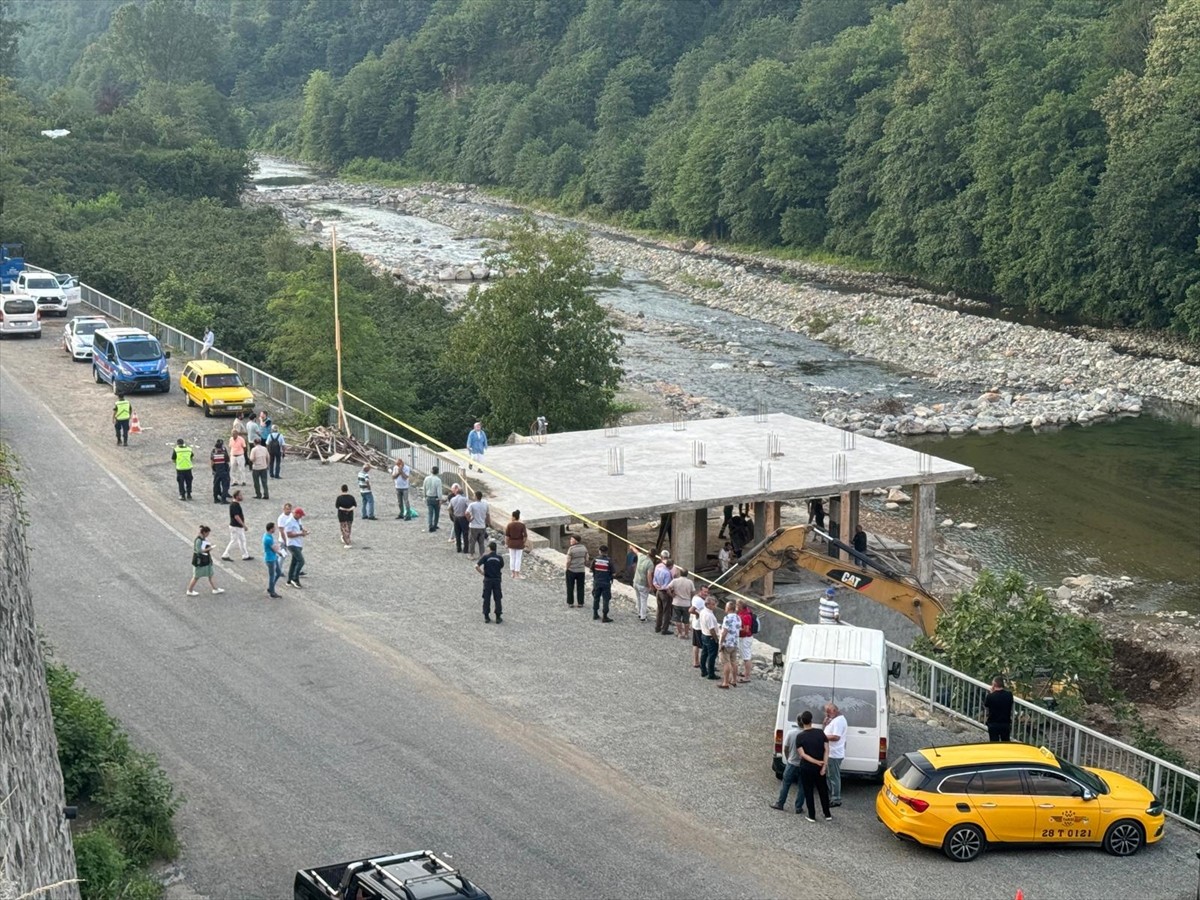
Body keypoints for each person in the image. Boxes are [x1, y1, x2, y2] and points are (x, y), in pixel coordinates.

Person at [795, 710, 833, 822]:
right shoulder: (820, 733)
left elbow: (803, 754)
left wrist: (815, 761)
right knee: (823, 790)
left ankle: (812, 815)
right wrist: (824, 765)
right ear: (811, 720)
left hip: (807, 767)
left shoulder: (800, 737)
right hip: (820, 768)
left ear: (802, 721)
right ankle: (827, 814)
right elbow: (827, 749)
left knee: (808, 790)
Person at [770, 714, 806, 814]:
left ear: (797, 722)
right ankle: (798, 807)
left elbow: (785, 747)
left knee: (786, 784)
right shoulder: (807, 735)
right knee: (802, 786)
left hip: (792, 762)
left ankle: (780, 803)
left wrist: (788, 757)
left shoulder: (791, 733)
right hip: (803, 764)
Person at [186, 526, 224, 596]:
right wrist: (209, 549)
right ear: (204, 532)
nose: (208, 534)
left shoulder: (203, 539)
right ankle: (189, 590)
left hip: (206, 560)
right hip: (200, 561)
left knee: (210, 574)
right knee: (196, 576)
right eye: (207, 533)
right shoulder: (198, 540)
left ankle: (215, 589)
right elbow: (199, 551)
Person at [823, 702, 848, 807]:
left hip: (834, 753)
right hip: (831, 753)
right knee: (830, 775)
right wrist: (825, 724)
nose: (827, 714)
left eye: (828, 712)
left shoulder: (838, 721)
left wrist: (822, 737)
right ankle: (832, 796)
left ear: (835, 710)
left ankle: (836, 799)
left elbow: (836, 737)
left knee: (834, 777)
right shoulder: (835, 720)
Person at [476, 540, 504, 623]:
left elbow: (476, 566)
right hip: (497, 580)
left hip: (488, 580)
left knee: (486, 598)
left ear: (489, 548)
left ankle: (486, 616)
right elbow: (501, 566)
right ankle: (498, 616)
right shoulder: (499, 558)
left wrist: (482, 573)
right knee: (498, 598)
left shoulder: (485, 557)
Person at [221, 490, 251, 561]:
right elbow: (236, 516)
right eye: (240, 495)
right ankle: (225, 554)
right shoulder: (234, 505)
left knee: (242, 540)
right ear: (237, 496)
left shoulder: (235, 504)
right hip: (236, 527)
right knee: (234, 541)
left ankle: (245, 555)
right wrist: (244, 525)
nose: (242, 496)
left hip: (236, 526)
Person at [667, 567, 696, 639]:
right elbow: (693, 592)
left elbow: (668, 588)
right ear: (687, 574)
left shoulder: (675, 581)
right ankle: (686, 634)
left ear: (680, 573)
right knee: (686, 620)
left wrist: (672, 594)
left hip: (677, 602)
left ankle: (680, 633)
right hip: (686, 603)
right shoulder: (690, 582)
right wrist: (690, 598)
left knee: (677, 619)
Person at [651, 551, 675, 634]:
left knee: (659, 610)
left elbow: (654, 579)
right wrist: (671, 594)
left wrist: (656, 586)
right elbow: (667, 586)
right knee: (667, 611)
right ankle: (664, 629)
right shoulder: (668, 573)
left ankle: (657, 627)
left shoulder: (658, 568)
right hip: (665, 592)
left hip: (658, 591)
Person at [984, 676, 1015, 742]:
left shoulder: (990, 696)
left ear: (994, 684)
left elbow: (986, 704)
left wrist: (991, 693)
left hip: (993, 723)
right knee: (1006, 742)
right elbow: (1010, 703)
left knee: (994, 744)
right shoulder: (1009, 695)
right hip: (1005, 723)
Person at [718, 601, 741, 688]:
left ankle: (725, 682)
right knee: (734, 662)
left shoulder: (727, 618)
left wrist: (721, 643)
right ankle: (734, 680)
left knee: (726, 663)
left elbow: (724, 632)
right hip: (734, 642)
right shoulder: (738, 618)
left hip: (727, 643)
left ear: (728, 608)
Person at [697, 594, 720, 681]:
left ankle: (703, 670)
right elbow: (712, 629)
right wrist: (716, 639)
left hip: (704, 635)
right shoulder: (709, 615)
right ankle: (711, 673)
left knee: (704, 654)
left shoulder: (703, 611)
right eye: (713, 604)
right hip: (710, 637)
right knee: (712, 656)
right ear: (708, 604)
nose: (714, 606)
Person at [284, 507, 308, 588]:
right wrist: (300, 534)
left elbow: (300, 527)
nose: (301, 517)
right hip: (292, 544)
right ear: (296, 514)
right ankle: (295, 578)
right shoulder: (289, 522)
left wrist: (303, 531)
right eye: (300, 515)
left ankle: (289, 580)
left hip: (298, 543)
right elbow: (289, 534)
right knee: (301, 561)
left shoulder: (298, 520)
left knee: (294, 562)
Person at [590, 544, 614, 622]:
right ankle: (605, 616)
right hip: (606, 583)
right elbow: (614, 573)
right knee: (606, 599)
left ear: (599, 551)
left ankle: (595, 614)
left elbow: (591, 570)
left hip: (597, 582)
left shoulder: (595, 559)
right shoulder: (609, 561)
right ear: (607, 552)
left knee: (596, 598)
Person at [565, 534, 588, 608]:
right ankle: (580, 603)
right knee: (580, 587)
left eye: (571, 539)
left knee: (570, 587)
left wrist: (567, 568)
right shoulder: (584, 548)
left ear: (575, 541)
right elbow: (586, 559)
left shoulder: (571, 549)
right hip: (581, 571)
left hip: (571, 570)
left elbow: (568, 561)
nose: (570, 541)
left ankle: (570, 602)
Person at [505, 510, 528, 579]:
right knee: (518, 558)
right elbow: (525, 536)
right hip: (519, 543)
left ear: (514, 517)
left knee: (512, 558)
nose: (511, 518)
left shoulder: (509, 525)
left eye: (512, 516)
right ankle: (517, 574)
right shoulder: (522, 525)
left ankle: (512, 573)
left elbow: (507, 536)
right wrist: (523, 542)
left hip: (511, 543)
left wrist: (506, 543)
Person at [466, 490, 489, 558]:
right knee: (481, 542)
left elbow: (466, 513)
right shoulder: (485, 504)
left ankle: (471, 555)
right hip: (482, 526)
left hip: (474, 526)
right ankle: (482, 554)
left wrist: (469, 519)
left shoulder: (472, 505)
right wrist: (487, 523)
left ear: (476, 497)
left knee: (472, 541)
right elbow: (488, 515)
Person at [448, 484, 470, 553]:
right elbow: (468, 509)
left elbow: (449, 508)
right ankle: (466, 549)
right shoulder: (465, 499)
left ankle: (458, 548)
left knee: (457, 534)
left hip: (456, 517)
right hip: (463, 518)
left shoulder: (452, 499)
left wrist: (453, 515)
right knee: (465, 534)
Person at [736, 599, 754, 683]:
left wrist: (736, 630)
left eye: (737, 605)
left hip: (745, 638)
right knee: (745, 656)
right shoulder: (743, 613)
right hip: (744, 638)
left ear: (740, 607)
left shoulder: (746, 616)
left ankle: (747, 677)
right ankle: (745, 673)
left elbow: (746, 630)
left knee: (746, 657)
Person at [262, 522, 282, 598]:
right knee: (272, 576)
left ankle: (271, 587)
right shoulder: (268, 538)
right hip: (270, 559)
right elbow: (274, 549)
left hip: (273, 557)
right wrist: (280, 552)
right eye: (274, 528)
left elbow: (273, 546)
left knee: (278, 573)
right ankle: (272, 591)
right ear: (271, 529)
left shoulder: (267, 535)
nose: (275, 529)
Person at [632, 549, 653, 622]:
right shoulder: (650, 564)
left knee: (638, 598)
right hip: (643, 584)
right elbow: (649, 575)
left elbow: (636, 551)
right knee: (643, 600)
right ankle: (643, 617)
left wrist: (632, 547)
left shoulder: (641, 556)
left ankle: (639, 613)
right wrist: (650, 585)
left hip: (636, 581)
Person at [335, 484, 357, 548]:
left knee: (344, 528)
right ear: (347, 489)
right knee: (349, 527)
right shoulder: (351, 497)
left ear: (341, 490)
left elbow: (337, 506)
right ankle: (346, 538)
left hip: (342, 515)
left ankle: (347, 542)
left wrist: (344, 509)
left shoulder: (339, 498)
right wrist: (349, 509)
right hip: (350, 515)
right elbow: (354, 505)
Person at [423, 465, 443, 531]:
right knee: (436, 513)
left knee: (430, 513)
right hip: (436, 498)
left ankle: (430, 525)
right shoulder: (438, 480)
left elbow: (424, 488)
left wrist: (424, 496)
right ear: (437, 472)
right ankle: (435, 524)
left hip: (428, 497)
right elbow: (439, 491)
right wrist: (440, 499)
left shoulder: (426, 478)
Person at [210, 439, 231, 504]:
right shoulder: (224, 454)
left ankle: (215, 498)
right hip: (224, 471)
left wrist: (213, 470)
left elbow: (212, 463)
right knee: (225, 485)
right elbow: (227, 461)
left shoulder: (214, 454)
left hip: (217, 472)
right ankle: (223, 499)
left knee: (216, 485)